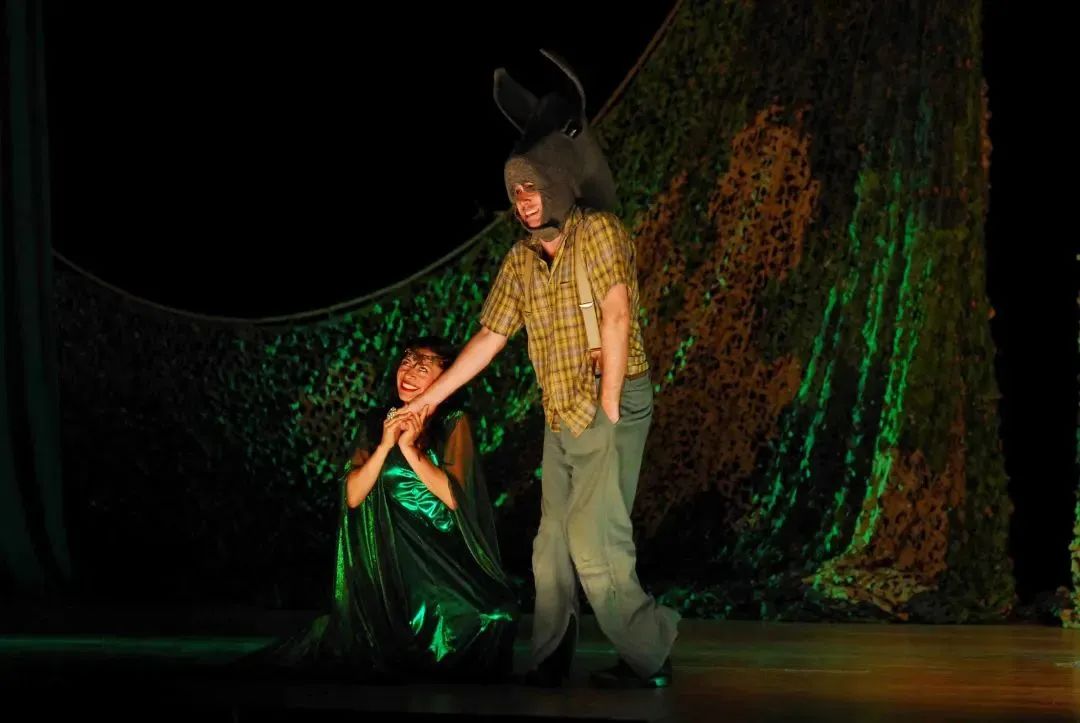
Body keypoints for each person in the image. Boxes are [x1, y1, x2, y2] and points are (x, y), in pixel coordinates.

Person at [398, 77, 679, 688]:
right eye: (516, 191)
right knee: (550, 540)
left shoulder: (598, 232)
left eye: (532, 187)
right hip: (561, 411)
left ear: (557, 182)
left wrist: (608, 407)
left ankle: (649, 653)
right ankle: (550, 656)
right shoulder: (521, 261)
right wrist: (428, 399)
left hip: (609, 400)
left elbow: (617, 315)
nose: (524, 201)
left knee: (594, 538)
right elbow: (489, 337)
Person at [253, 336, 518, 683]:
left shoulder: (453, 421)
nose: (409, 372)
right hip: (393, 560)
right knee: (396, 638)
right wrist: (385, 446)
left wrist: (410, 449)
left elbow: (454, 497)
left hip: (443, 557)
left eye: (424, 367)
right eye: (407, 362)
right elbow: (352, 495)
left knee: (493, 619)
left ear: (446, 378)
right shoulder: (377, 423)